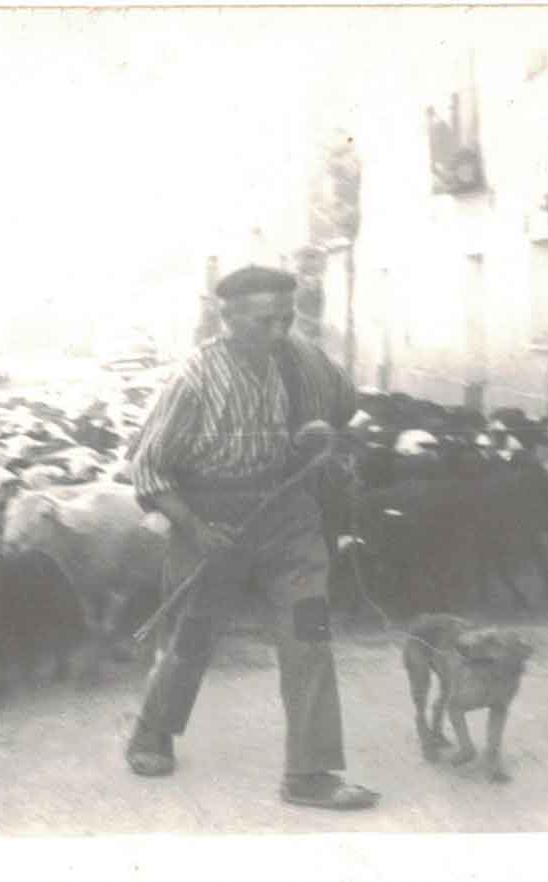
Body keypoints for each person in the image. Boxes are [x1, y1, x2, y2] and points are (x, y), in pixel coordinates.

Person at [125, 264, 379, 810]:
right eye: (265, 320)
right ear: (228, 319)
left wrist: (314, 435)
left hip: (291, 520)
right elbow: (148, 470)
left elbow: (343, 402)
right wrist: (195, 528)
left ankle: (310, 776)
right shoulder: (192, 378)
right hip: (211, 524)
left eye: (287, 318)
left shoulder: (304, 359)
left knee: (310, 635)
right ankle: (152, 732)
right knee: (191, 638)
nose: (279, 331)